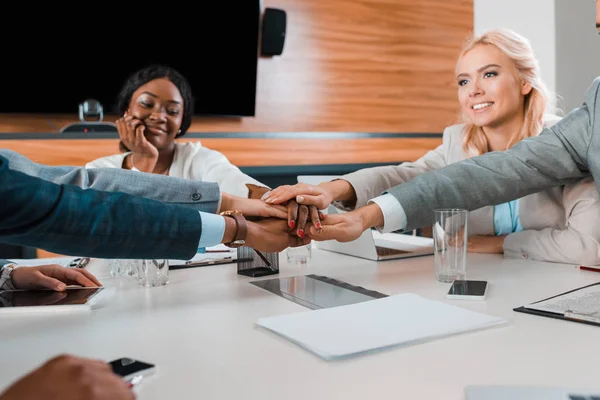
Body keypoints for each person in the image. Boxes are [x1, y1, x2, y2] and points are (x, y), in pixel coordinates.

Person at [266, 2, 600, 254]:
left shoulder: (565, 142)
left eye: (490, 74)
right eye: (463, 81)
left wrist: (500, 244)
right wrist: (334, 190)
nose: (474, 90)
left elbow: (587, 246)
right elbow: (405, 178)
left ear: (525, 82)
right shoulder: (457, 142)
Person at [85, 64, 270, 199]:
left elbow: (236, 183)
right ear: (127, 111)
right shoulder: (97, 171)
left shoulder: (198, 159)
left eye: (172, 111)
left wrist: (281, 200)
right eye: (147, 104)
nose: (159, 116)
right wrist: (144, 160)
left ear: (182, 121)